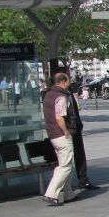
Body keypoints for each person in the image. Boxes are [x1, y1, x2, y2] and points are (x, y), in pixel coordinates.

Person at [41, 72, 76, 206]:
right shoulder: (61, 97)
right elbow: (59, 117)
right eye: (68, 81)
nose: (69, 83)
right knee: (65, 166)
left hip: (52, 135)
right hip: (61, 135)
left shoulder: (48, 95)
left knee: (66, 164)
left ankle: (68, 193)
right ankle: (51, 194)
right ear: (62, 82)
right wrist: (66, 131)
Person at [65, 87, 100, 190]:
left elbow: (74, 111)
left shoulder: (69, 93)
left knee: (80, 153)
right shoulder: (59, 95)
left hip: (75, 128)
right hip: (67, 130)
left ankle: (83, 180)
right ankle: (66, 185)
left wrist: (78, 124)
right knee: (66, 158)